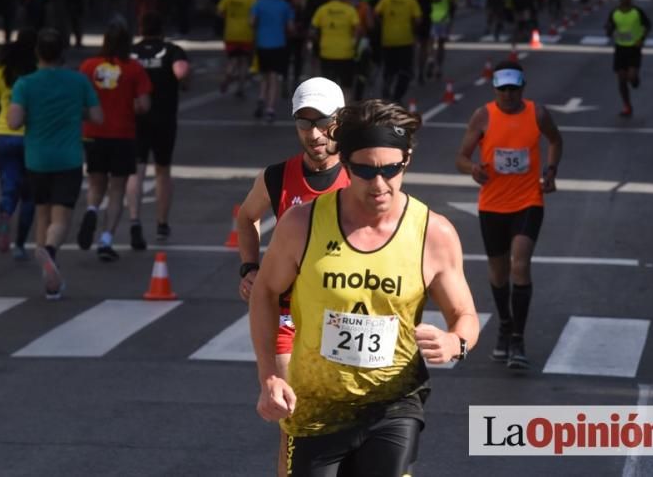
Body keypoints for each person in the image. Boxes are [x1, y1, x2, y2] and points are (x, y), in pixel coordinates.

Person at [250, 99, 481, 475]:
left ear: (406, 160)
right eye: (364, 169)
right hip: (316, 404)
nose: (379, 184)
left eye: (391, 169)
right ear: (344, 162)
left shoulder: (433, 233)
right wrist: (269, 376)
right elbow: (264, 293)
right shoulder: (301, 224)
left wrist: (456, 342)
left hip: (394, 404)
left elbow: (465, 315)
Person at [237, 77, 349, 477]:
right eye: (304, 124)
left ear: (341, 119)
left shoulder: (363, 176)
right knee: (295, 421)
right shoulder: (277, 177)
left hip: (343, 320)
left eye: (323, 123)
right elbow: (246, 217)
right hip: (288, 317)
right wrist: (250, 267)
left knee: (348, 425)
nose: (314, 135)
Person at [454, 61, 562, 369]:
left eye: (514, 89)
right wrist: (472, 168)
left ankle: (518, 338)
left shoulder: (537, 113)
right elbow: (461, 157)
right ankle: (504, 325)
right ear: (495, 90)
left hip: (528, 201)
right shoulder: (483, 116)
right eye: (503, 90)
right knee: (499, 273)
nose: (509, 96)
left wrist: (551, 170)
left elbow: (555, 140)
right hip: (492, 204)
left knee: (520, 264)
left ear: (522, 88)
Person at [8, 29, 103, 300]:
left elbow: (14, 121)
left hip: (36, 158)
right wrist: (76, 110)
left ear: (37, 53)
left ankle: (49, 280)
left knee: (42, 213)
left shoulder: (25, 83)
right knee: (60, 218)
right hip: (68, 158)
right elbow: (97, 116)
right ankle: (49, 253)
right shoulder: (78, 81)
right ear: (63, 53)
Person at [76, 20, 152, 260]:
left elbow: (80, 98)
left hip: (94, 133)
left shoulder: (88, 66)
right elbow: (143, 105)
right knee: (117, 189)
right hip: (123, 134)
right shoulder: (134, 68)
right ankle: (106, 240)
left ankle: (90, 209)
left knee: (96, 182)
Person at [128, 11, 191, 249]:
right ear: (162, 29)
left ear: (141, 28)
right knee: (162, 171)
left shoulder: (131, 53)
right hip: (164, 118)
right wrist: (183, 82)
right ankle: (162, 224)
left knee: (136, 170)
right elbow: (180, 72)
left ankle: (134, 219)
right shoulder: (171, 51)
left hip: (136, 118)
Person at [0, 28, 37, 260]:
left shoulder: (1, 72)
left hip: (4, 134)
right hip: (32, 136)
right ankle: (20, 244)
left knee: (9, 182)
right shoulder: (37, 74)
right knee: (29, 194)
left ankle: (5, 211)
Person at [250, 0, 295, 122]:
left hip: (262, 43)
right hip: (278, 44)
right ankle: (270, 108)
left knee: (264, 75)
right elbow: (290, 27)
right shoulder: (285, 5)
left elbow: (252, 22)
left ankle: (261, 97)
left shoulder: (258, 4)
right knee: (274, 77)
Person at [604, 0, 652, 117]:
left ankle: (635, 80)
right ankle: (627, 105)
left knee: (631, 77)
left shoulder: (637, 12)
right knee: (621, 80)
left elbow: (648, 25)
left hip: (633, 49)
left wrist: (641, 39)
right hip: (620, 49)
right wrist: (608, 30)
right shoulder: (615, 12)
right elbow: (609, 28)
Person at [311, 0, 362, 98]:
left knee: (328, 86)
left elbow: (313, 31)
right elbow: (358, 30)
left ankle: (330, 112)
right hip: (346, 53)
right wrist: (355, 43)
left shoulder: (322, 10)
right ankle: (344, 113)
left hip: (326, 53)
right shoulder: (349, 10)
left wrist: (318, 43)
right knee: (346, 87)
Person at [374, 0, 421, 103]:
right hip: (405, 40)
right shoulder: (411, 1)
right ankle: (397, 96)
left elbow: (376, 13)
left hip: (388, 39)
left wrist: (383, 24)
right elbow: (418, 20)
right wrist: (413, 30)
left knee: (389, 67)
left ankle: (387, 83)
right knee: (405, 69)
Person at [217, 0, 258, 97]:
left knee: (233, 59)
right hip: (246, 33)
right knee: (244, 61)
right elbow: (255, 15)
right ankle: (240, 87)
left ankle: (227, 76)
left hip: (231, 33)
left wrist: (228, 18)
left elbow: (219, 11)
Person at [429, 0, 457, 79]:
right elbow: (453, 3)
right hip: (443, 18)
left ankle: (430, 58)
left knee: (430, 42)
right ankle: (438, 68)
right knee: (441, 44)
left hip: (429, 16)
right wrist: (451, 18)